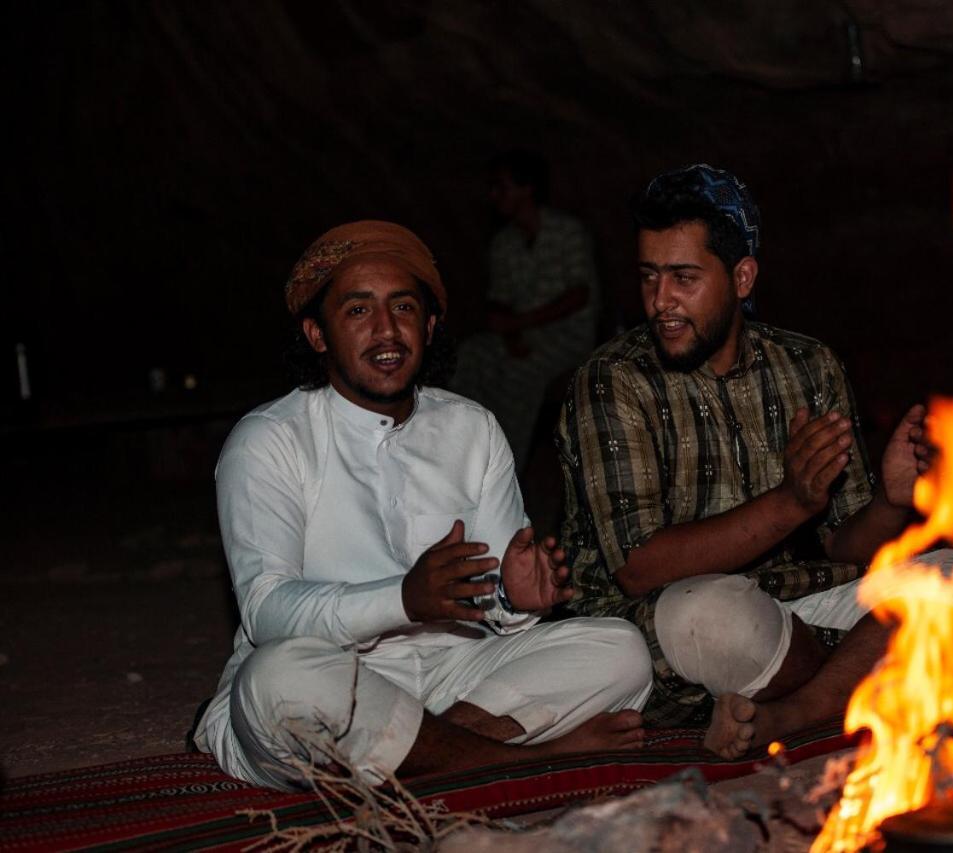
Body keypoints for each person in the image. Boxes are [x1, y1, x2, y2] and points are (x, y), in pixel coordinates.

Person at [192, 220, 651, 791]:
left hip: (456, 676)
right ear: (317, 334)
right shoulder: (268, 439)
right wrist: (404, 599)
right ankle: (524, 762)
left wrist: (515, 596)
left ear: (430, 326)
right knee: (276, 680)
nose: (386, 331)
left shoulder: (471, 427)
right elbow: (267, 613)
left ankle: (425, 758)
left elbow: (497, 607)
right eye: (358, 311)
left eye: (404, 307)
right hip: (338, 676)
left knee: (620, 648)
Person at [557, 165, 953, 759]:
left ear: (742, 277)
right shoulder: (612, 381)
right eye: (649, 277)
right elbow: (640, 568)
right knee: (709, 616)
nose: (660, 302)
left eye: (684, 278)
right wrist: (791, 502)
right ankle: (867, 668)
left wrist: (890, 503)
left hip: (795, 604)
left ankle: (795, 710)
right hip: (681, 621)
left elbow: (844, 545)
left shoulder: (809, 365)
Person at [452, 150, 600, 473]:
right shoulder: (504, 244)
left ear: (527, 188)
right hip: (519, 334)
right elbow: (499, 301)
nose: (494, 196)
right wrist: (510, 334)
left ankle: (506, 473)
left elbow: (578, 295)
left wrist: (519, 324)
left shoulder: (567, 232)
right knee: (471, 355)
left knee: (520, 374)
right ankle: (461, 455)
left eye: (501, 187)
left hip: (566, 339)